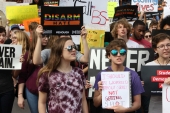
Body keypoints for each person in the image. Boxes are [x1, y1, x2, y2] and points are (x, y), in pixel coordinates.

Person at [37, 37, 89, 113]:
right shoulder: (47, 74)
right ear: (59, 52)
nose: (74, 50)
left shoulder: (79, 72)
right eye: (69, 47)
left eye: (74, 47)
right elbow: (42, 103)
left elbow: (83, 99)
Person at [93, 39, 144, 113]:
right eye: (114, 52)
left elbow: (138, 103)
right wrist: (102, 94)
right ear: (108, 56)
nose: (119, 55)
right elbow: (96, 103)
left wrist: (125, 110)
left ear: (125, 55)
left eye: (122, 52)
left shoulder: (133, 75)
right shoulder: (102, 74)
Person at [146, 33, 170, 113]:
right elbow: (146, 91)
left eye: (168, 45)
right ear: (155, 49)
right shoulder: (149, 66)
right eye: (162, 46)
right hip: (155, 108)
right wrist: (142, 84)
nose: (166, 48)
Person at [0, 26, 15, 113]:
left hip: (7, 90)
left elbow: (15, 74)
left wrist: (18, 63)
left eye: (3, 35)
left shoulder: (10, 51)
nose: (1, 37)